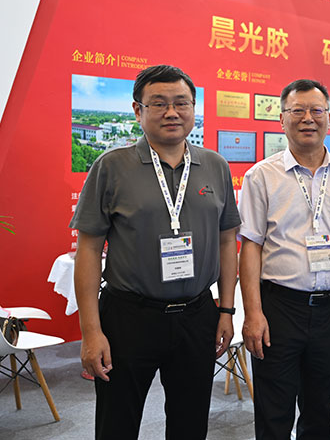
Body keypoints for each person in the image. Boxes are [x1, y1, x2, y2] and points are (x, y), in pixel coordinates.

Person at [70, 65, 241, 439]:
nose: (172, 112)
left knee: (190, 422)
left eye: (182, 103)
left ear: (193, 108)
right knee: (117, 422)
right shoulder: (112, 166)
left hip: (197, 314)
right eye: (159, 103)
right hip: (129, 317)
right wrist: (91, 331)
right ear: (138, 110)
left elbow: (228, 240)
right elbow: (89, 250)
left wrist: (226, 311)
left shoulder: (215, 166)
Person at [238, 79, 330, 439]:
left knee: (321, 411)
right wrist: (253, 313)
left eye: (316, 110)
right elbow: (250, 247)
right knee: (274, 413)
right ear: (282, 119)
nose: (308, 118)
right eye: (297, 111)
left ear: (329, 117)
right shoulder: (261, 176)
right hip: (280, 308)